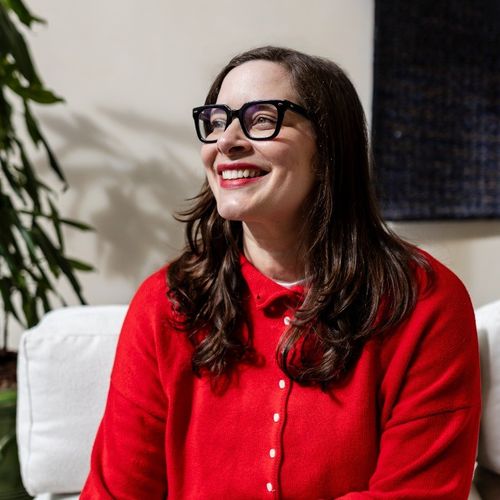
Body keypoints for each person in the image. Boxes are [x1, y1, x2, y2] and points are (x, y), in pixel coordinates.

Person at [81, 46, 481, 499]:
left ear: (328, 148)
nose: (226, 141)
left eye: (262, 119)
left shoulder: (426, 302)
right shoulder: (166, 303)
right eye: (216, 122)